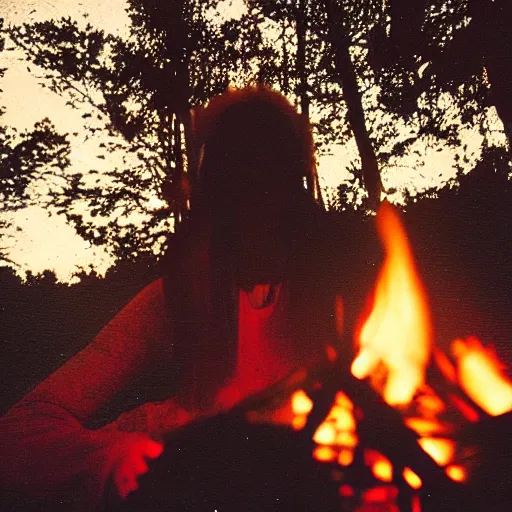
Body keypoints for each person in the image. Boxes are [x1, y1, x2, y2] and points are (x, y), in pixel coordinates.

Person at [0, 86, 344, 511]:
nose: (257, 202)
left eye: (271, 174)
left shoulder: (347, 302)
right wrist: (118, 459)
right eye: (238, 174)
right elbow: (19, 433)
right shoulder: (174, 299)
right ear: (215, 192)